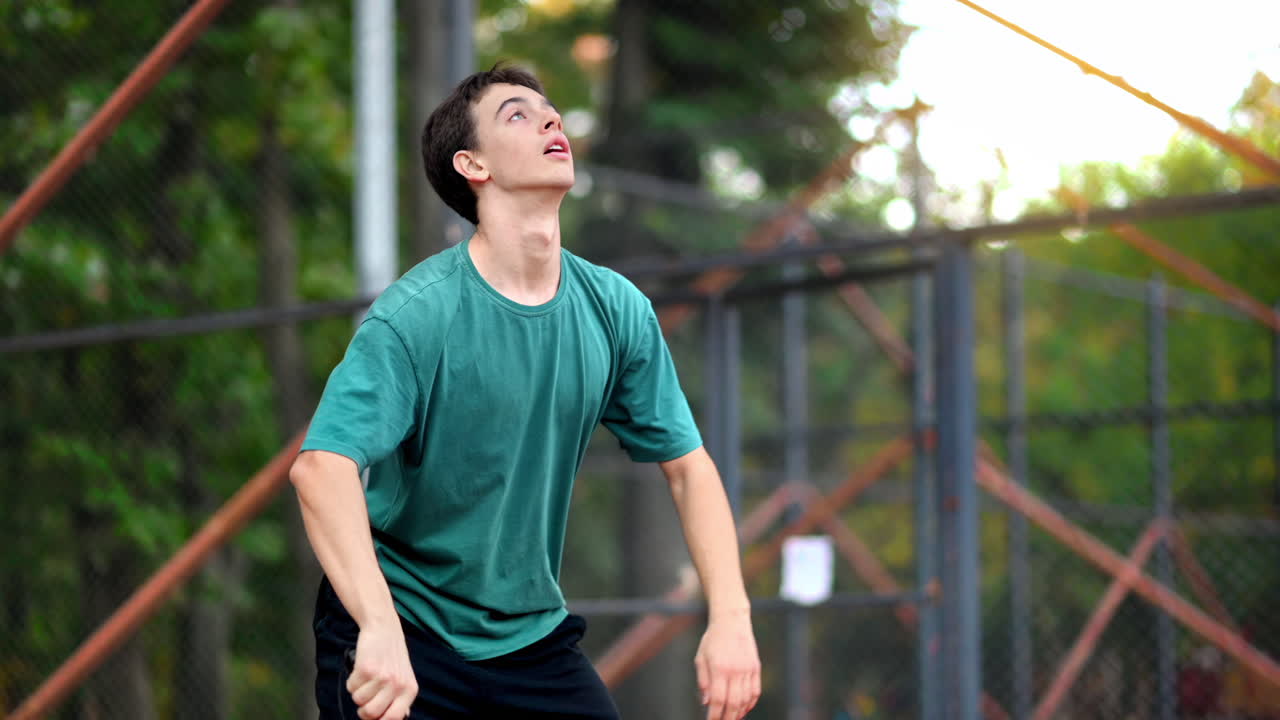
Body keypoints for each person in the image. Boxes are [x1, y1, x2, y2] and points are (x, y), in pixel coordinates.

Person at [289, 63, 761, 720]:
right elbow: (321, 468)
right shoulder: (418, 314)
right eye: (517, 113)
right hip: (403, 624)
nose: (550, 120)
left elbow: (689, 468)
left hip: (529, 640)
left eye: (551, 111)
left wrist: (731, 617)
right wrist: (377, 626)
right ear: (472, 164)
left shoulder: (615, 310)